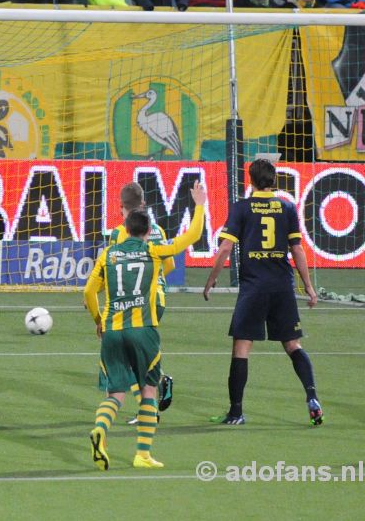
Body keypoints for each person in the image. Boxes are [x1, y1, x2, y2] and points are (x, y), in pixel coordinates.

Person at [84, 180, 206, 470]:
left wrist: (99, 320)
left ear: (124, 228)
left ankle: (100, 430)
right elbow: (192, 236)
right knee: (149, 390)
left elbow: (89, 292)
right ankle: (142, 455)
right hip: (144, 329)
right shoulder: (154, 250)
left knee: (115, 394)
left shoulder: (108, 253)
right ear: (149, 232)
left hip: (112, 330)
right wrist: (199, 205)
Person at [203, 158, 323, 426]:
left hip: (254, 288)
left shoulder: (242, 208)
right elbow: (297, 250)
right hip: (282, 286)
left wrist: (211, 279)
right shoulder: (288, 207)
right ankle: (312, 397)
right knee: (293, 345)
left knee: (241, 348)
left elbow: (224, 248)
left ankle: (236, 412)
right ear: (274, 180)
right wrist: (310, 287)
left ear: (251, 180)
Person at [98, 182, 177, 425]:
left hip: (135, 302)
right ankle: (154, 393)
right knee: (139, 353)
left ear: (120, 206)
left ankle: (151, 403)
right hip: (157, 299)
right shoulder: (157, 230)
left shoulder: (119, 233)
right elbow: (170, 265)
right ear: (143, 202)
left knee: (127, 354)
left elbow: (112, 270)